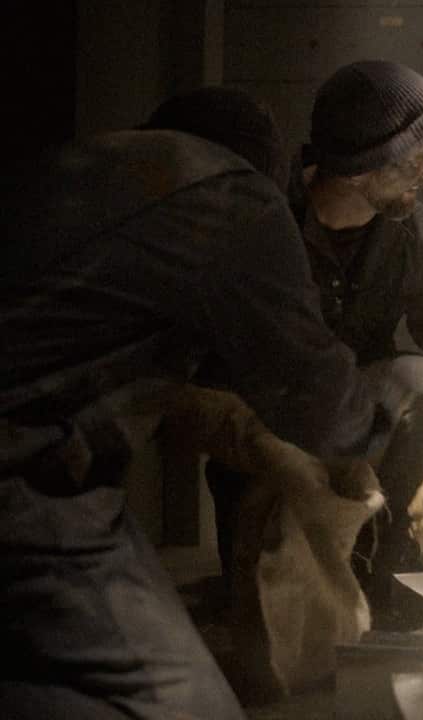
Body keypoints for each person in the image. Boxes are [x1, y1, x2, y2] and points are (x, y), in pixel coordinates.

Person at [1, 90, 376, 718]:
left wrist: (244, 434)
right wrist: (367, 435)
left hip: (41, 449)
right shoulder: (232, 193)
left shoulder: (88, 170)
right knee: (192, 705)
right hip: (26, 478)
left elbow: (89, 369)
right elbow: (322, 400)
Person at [262, 60, 423, 616]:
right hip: (273, 432)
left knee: (422, 382)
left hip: (362, 419)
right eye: (418, 159)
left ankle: (390, 553)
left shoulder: (416, 235)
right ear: (360, 169)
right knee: (276, 616)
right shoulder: (269, 225)